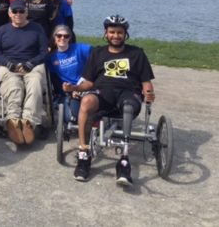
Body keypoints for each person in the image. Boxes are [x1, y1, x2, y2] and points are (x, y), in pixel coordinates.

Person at [63, 15, 155, 186]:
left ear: (125, 34)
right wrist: (73, 88)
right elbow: (88, 82)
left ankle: (124, 160)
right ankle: (84, 153)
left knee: (128, 106)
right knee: (87, 102)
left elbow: (145, 82)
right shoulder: (98, 53)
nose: (115, 35)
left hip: (129, 93)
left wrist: (149, 93)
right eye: (112, 32)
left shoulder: (136, 53)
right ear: (106, 33)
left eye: (119, 32)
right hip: (103, 92)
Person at [0, 0, 48, 146]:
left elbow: (44, 52)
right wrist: (9, 64)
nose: (18, 14)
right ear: (10, 13)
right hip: (10, 65)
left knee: (35, 82)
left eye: (21, 11)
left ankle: (28, 121)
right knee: (14, 85)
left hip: (32, 64)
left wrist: (31, 63)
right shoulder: (2, 30)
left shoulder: (37, 28)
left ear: (26, 12)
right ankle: (13, 120)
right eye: (15, 11)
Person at [46, 25, 92, 124]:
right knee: (70, 118)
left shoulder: (79, 48)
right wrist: (70, 91)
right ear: (54, 37)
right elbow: (56, 82)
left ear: (70, 38)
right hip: (70, 91)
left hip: (86, 86)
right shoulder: (51, 58)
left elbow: (98, 53)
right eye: (59, 36)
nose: (62, 38)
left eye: (66, 36)